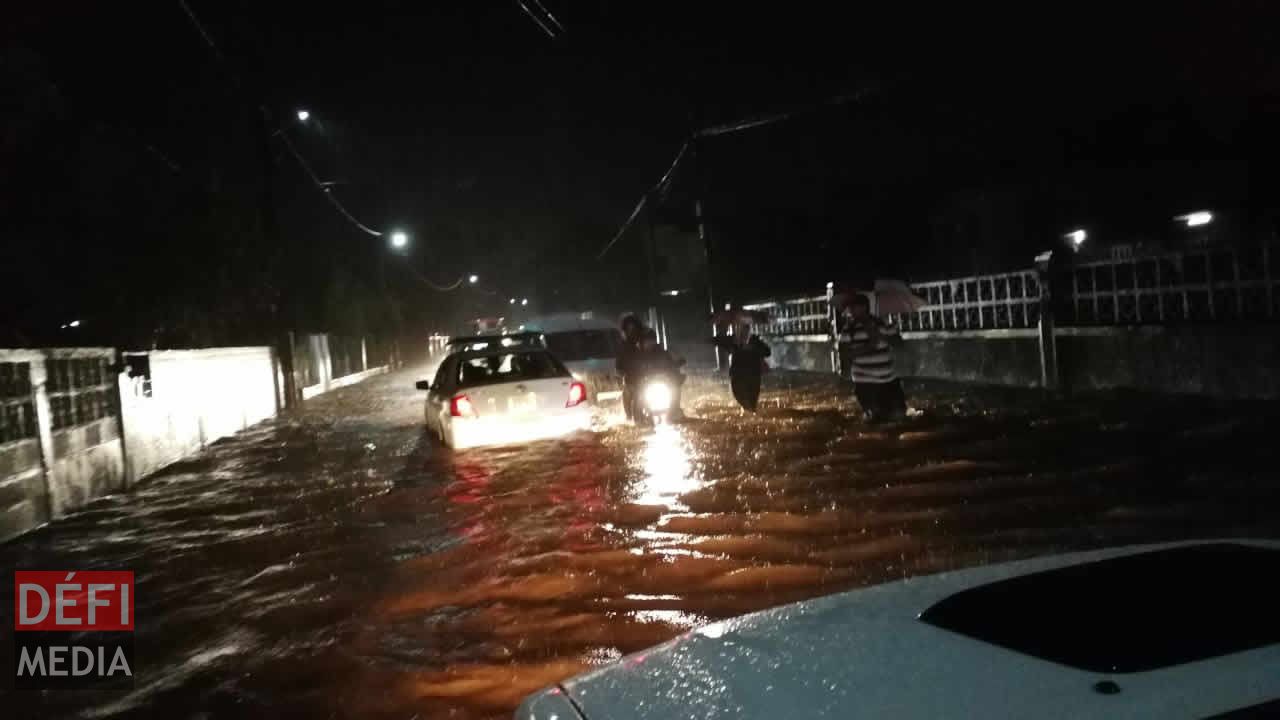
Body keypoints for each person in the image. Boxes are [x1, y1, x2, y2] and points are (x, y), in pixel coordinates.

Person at [844, 293, 907, 423]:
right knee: (876, 420)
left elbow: (899, 345)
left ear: (863, 307)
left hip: (889, 380)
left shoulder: (882, 323)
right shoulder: (849, 329)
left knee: (900, 415)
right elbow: (845, 354)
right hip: (866, 382)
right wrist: (869, 346)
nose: (850, 311)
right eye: (850, 308)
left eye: (853, 307)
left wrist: (884, 334)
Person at [712, 321, 771, 412]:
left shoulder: (755, 341)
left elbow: (767, 352)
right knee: (741, 399)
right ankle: (749, 414)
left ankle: (752, 415)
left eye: (746, 331)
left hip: (752, 376)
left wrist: (755, 348)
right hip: (738, 376)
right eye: (742, 331)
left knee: (751, 403)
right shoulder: (733, 341)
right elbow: (719, 342)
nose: (744, 334)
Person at [634, 329, 685, 423]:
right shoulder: (637, 355)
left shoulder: (662, 352)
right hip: (644, 383)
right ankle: (638, 417)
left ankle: (675, 409)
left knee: (675, 388)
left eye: (652, 340)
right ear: (642, 342)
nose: (650, 343)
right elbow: (632, 369)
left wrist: (677, 364)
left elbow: (672, 363)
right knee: (637, 393)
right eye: (647, 340)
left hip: (663, 381)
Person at [616, 314, 645, 421]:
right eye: (629, 329)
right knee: (628, 392)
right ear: (625, 331)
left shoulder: (646, 342)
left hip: (648, 379)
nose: (632, 332)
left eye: (634, 328)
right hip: (631, 380)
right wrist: (621, 372)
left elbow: (661, 355)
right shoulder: (624, 347)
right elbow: (619, 364)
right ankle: (629, 417)